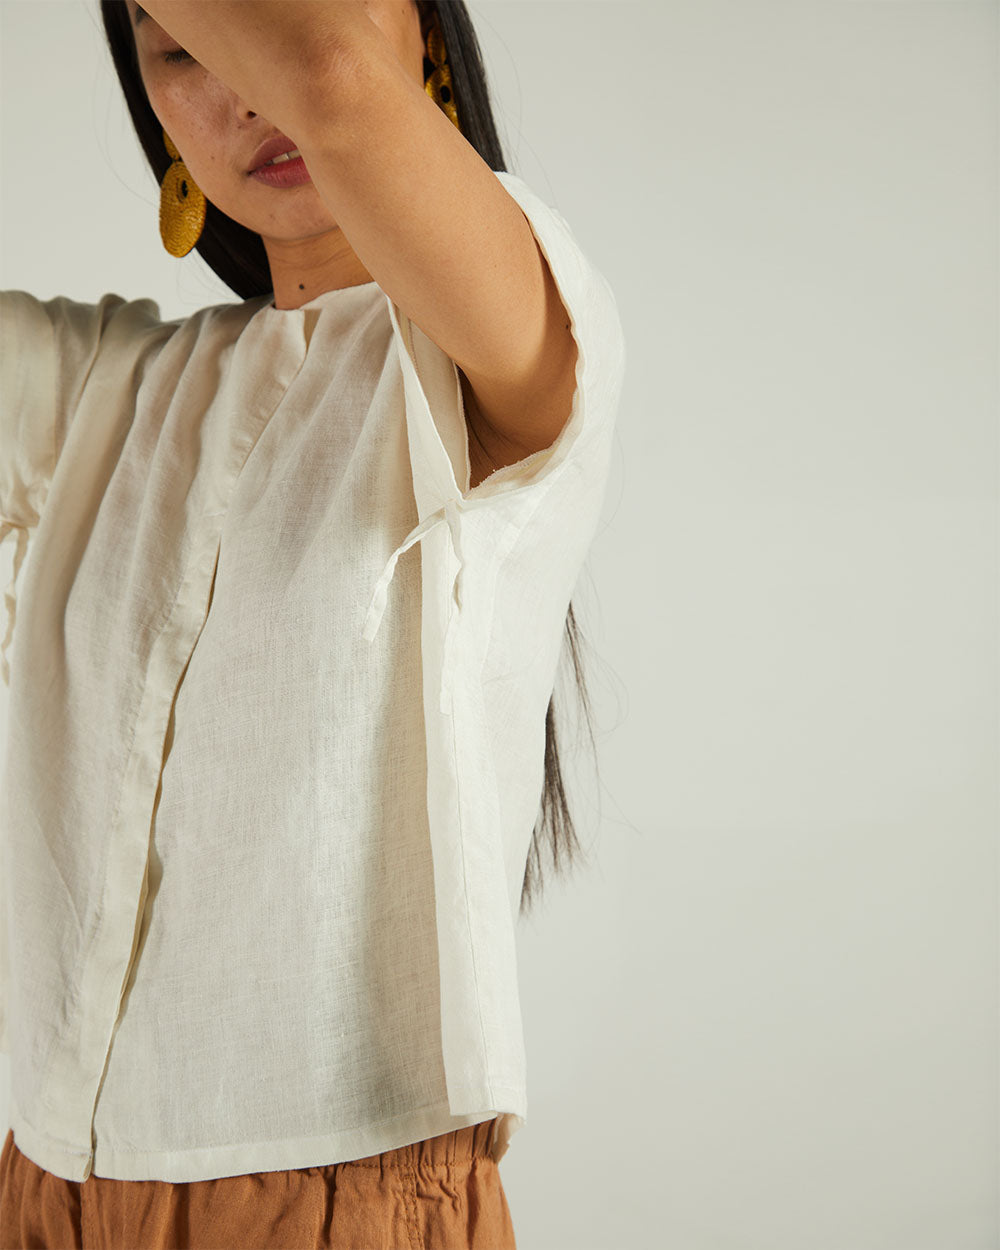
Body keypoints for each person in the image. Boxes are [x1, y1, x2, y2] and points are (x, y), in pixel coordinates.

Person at [0, 1, 626, 1246]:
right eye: (182, 52)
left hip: (339, 1199)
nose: (247, 89)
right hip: (42, 1186)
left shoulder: (509, 338)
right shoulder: (99, 392)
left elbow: (331, 77)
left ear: (426, 37)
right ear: (157, 121)